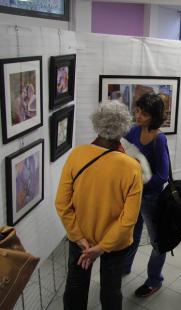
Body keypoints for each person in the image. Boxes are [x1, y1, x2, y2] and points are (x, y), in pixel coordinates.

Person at [55, 101, 142, 310]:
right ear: (124, 128)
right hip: (115, 242)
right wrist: (102, 247)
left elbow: (62, 203)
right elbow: (129, 219)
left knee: (76, 286)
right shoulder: (131, 166)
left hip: (81, 239)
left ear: (96, 124)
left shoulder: (77, 155)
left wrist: (79, 238)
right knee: (111, 290)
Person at [122, 93, 170, 297]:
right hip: (133, 195)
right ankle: (124, 267)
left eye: (143, 113)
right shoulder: (133, 131)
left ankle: (154, 280)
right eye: (137, 111)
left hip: (151, 198)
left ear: (154, 116)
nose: (138, 115)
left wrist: (142, 182)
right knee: (130, 235)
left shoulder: (159, 139)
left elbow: (163, 174)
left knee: (158, 242)